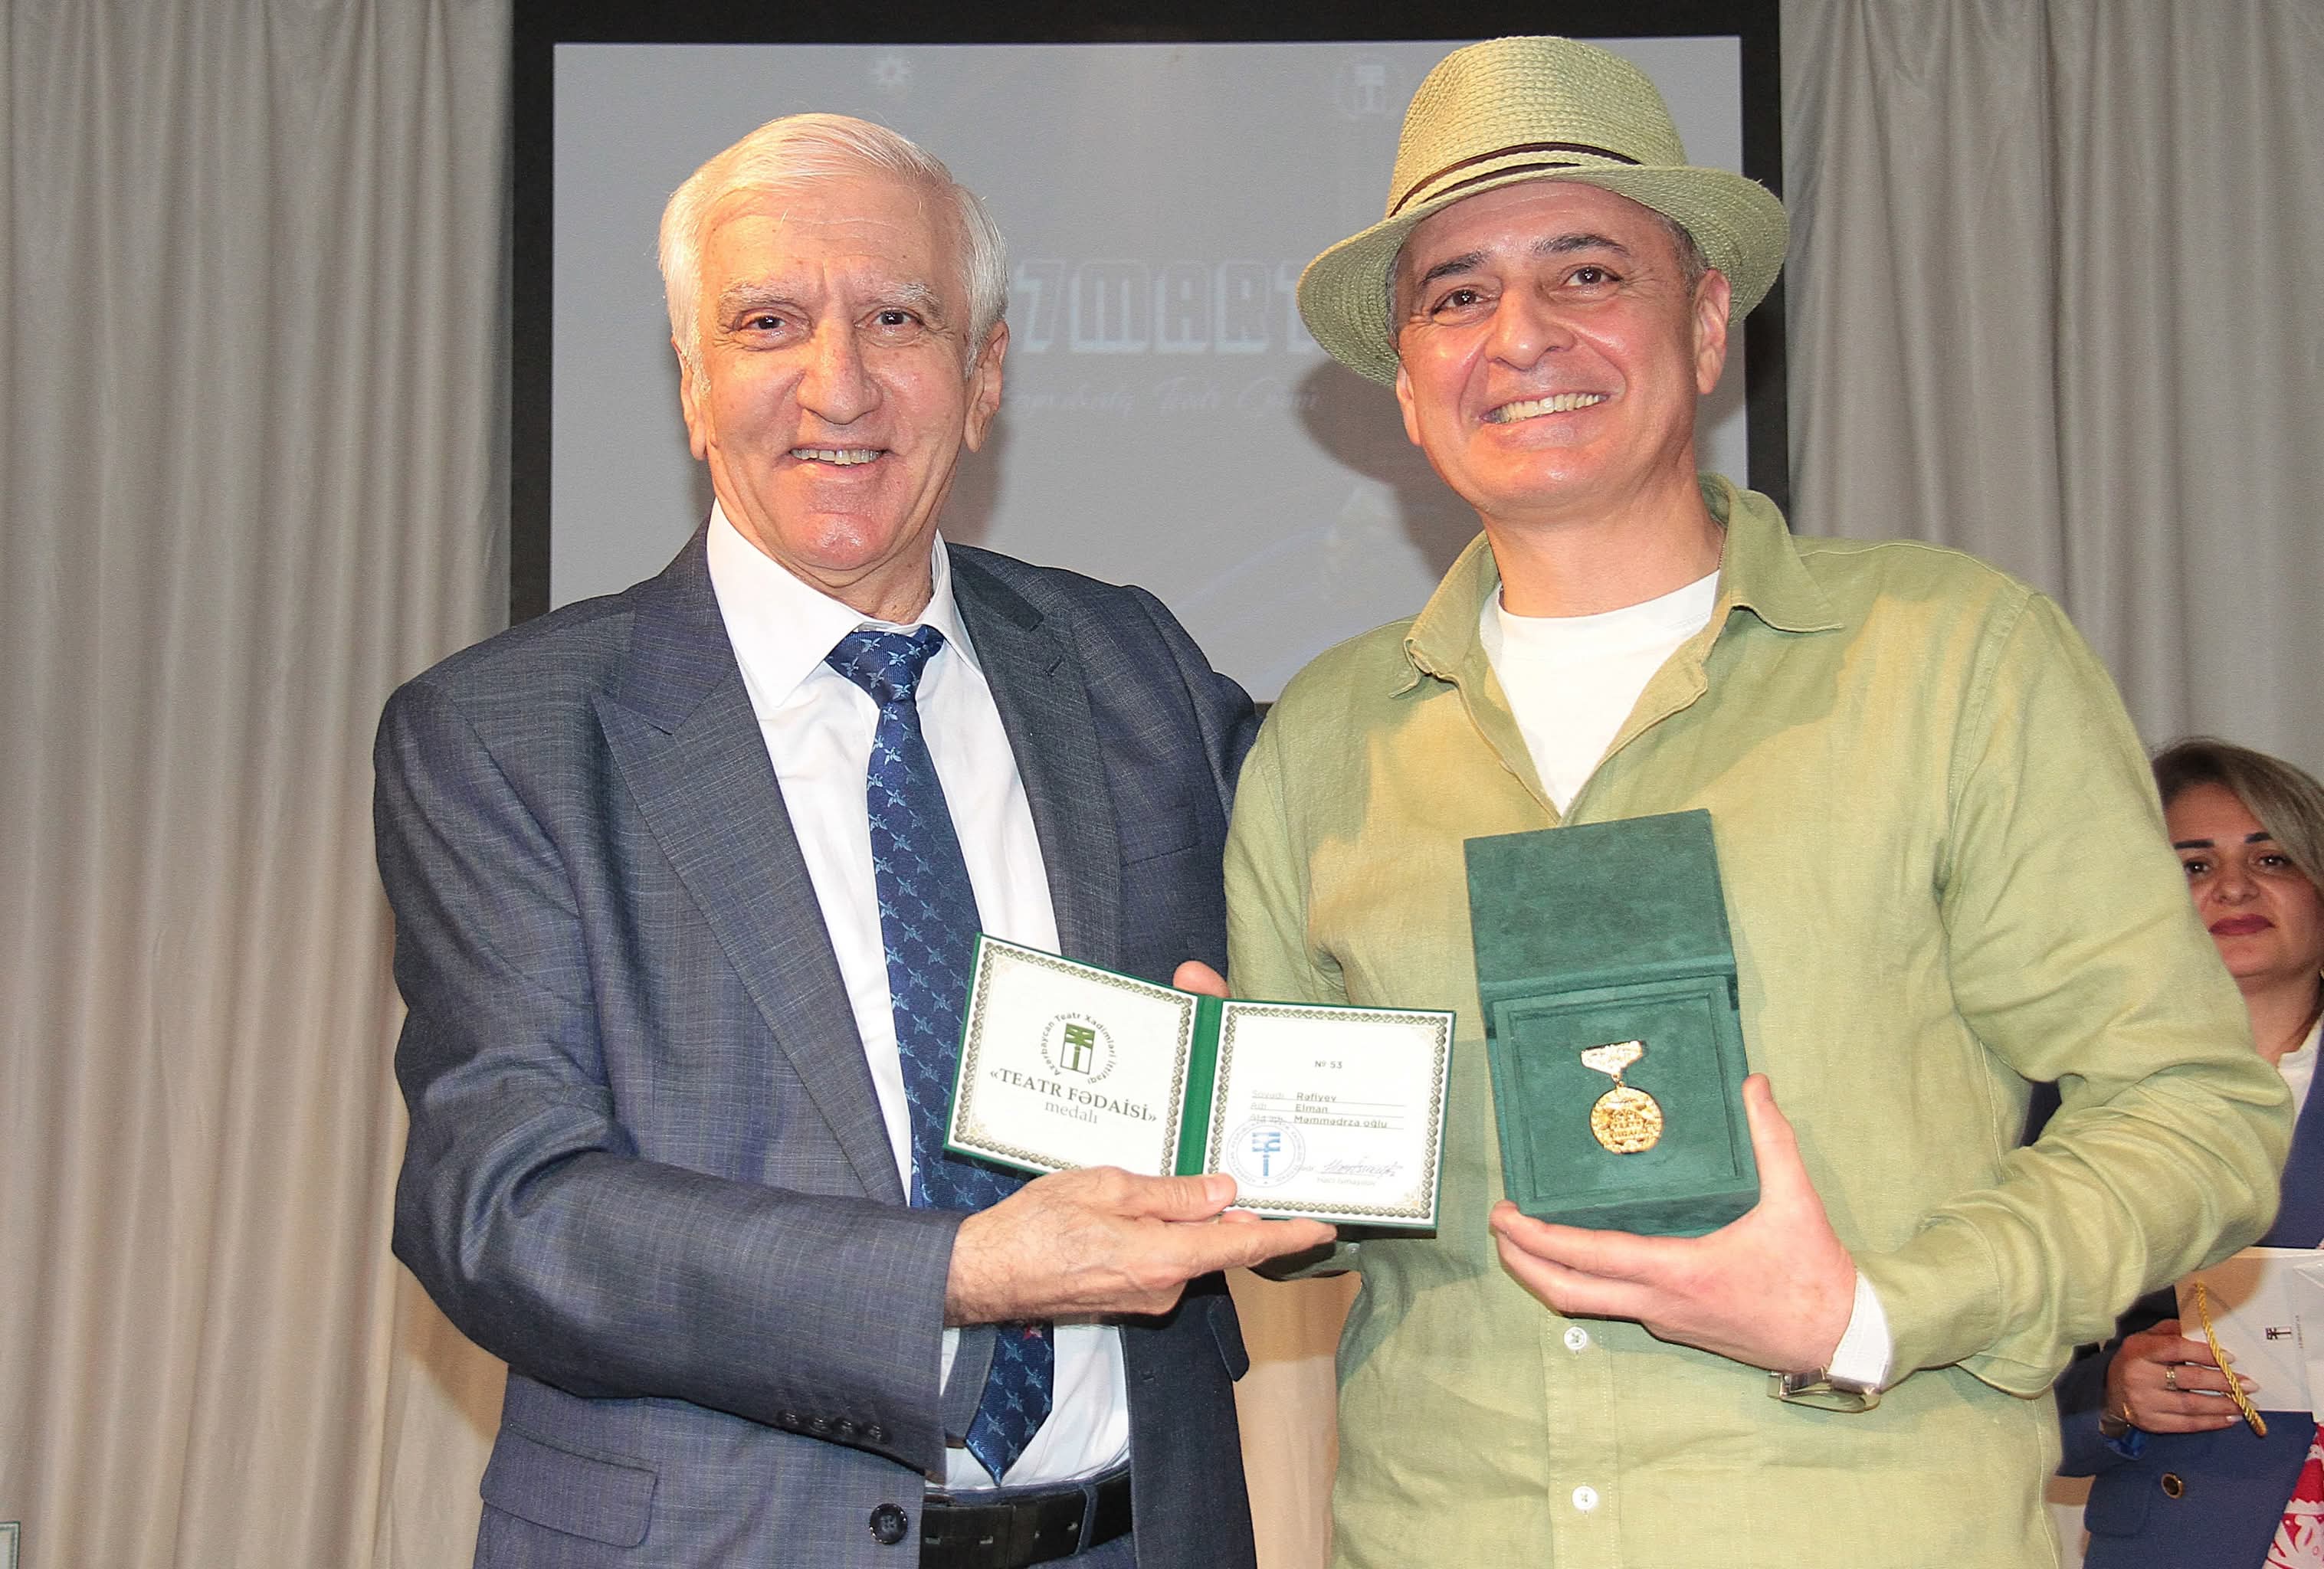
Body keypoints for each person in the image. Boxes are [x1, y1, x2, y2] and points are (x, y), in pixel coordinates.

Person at [1221, 35, 2290, 1566]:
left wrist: (1871, 1308)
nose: (1518, 334)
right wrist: (1227, 1134)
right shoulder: (1326, 736)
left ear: (1706, 319)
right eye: (1455, 295)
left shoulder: (1948, 657)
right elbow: (1322, 1219)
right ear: (1405, 381)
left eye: (1586, 272)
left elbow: (2193, 1108)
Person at [375, 113, 1331, 1569]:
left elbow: (1348, 931)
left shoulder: (1126, 664)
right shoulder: (505, 735)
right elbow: (505, 1212)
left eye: (898, 318)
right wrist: (960, 1271)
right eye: (769, 323)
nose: (839, 383)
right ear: (693, 384)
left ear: (984, 374)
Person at [2057, 739, 2324, 1567]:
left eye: (2271, 857)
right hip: (2188, 1535)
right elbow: (2003, 1364)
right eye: (2194, 866)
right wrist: (2112, 1397)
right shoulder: (2074, 1097)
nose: (2234, 888)